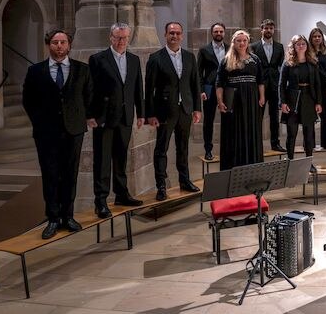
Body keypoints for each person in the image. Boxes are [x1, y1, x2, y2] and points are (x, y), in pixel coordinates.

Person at [23, 29, 93, 239]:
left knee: (70, 174)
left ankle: (68, 216)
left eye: (63, 42)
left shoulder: (82, 70)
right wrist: (41, 122)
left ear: (69, 45)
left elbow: (88, 97)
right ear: (49, 45)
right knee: (51, 174)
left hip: (74, 130)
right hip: (47, 133)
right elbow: (29, 101)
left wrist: (82, 118)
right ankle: (53, 218)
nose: (59, 46)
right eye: (55, 42)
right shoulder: (35, 71)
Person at [89, 23, 145, 219]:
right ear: (110, 38)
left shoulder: (134, 59)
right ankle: (101, 201)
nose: (121, 41)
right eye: (118, 38)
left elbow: (138, 88)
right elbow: (91, 90)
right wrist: (91, 116)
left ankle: (121, 194)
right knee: (103, 161)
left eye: (124, 38)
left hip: (125, 117)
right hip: (103, 118)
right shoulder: (98, 59)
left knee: (121, 158)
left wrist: (141, 113)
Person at [145, 21, 202, 201]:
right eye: (171, 33)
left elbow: (195, 84)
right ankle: (161, 186)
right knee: (161, 149)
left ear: (182, 36)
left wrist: (197, 109)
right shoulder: (156, 58)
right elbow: (149, 89)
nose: (174, 36)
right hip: (164, 111)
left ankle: (184, 180)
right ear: (165, 35)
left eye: (177, 33)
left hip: (185, 109)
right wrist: (150, 114)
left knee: (183, 148)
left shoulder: (189, 57)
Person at [216, 30, 266, 170]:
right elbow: (219, 83)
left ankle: (252, 166)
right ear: (234, 42)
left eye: (244, 40)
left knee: (251, 129)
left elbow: (260, 80)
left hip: (251, 99)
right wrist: (220, 101)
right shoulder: (226, 59)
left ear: (248, 42)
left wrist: (262, 96)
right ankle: (233, 166)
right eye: (239, 40)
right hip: (233, 99)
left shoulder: (255, 59)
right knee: (233, 131)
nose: (242, 43)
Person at [280, 35, 322, 159]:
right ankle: (290, 160)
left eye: (303, 44)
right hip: (293, 99)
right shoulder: (287, 64)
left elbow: (317, 84)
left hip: (309, 98)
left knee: (309, 134)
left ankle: (308, 162)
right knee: (291, 133)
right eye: (298, 44)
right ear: (293, 46)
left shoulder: (313, 63)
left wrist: (318, 102)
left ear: (307, 46)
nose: (301, 46)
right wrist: (282, 102)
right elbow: (281, 84)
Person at [251, 19, 286, 152]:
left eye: (271, 28)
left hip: (274, 85)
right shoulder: (254, 46)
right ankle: (257, 143)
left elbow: (282, 67)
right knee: (258, 116)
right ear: (261, 29)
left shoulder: (279, 46)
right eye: (266, 28)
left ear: (273, 30)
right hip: (259, 86)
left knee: (274, 117)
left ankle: (275, 143)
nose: (269, 30)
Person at [197, 22, 226, 160]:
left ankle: (228, 148)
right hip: (209, 88)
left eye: (221, 31)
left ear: (224, 33)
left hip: (226, 89)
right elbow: (198, 72)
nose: (218, 34)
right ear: (212, 33)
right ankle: (208, 150)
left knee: (229, 119)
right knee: (208, 121)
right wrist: (201, 89)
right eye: (216, 32)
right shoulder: (204, 50)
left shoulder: (230, 48)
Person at [309, 28, 326, 150]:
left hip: (324, 85)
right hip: (311, 86)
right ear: (311, 38)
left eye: (319, 36)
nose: (317, 38)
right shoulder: (308, 52)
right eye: (315, 36)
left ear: (322, 37)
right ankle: (310, 144)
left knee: (324, 116)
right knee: (311, 116)